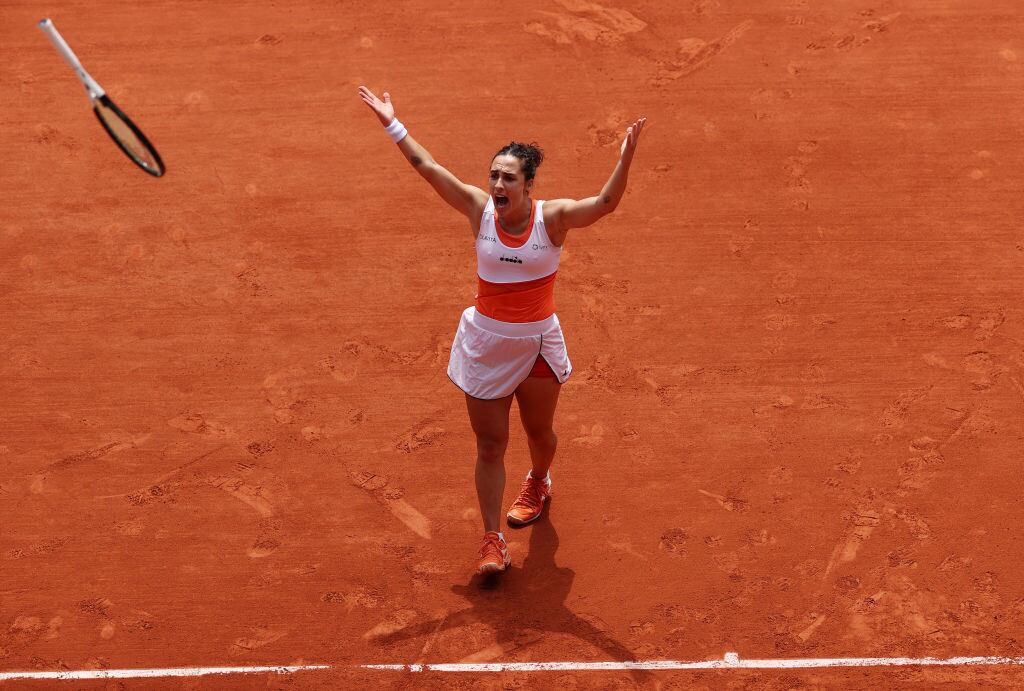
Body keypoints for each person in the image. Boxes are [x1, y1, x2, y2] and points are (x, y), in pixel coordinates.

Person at [358, 86, 645, 575]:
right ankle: (492, 540)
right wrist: (392, 123)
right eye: (493, 174)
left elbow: (604, 204)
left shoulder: (552, 219)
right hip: (486, 343)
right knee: (490, 445)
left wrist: (625, 159)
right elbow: (427, 167)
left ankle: (539, 479)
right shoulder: (479, 211)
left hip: (537, 344)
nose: (497, 183)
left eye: (508, 176)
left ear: (528, 185)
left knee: (540, 433)